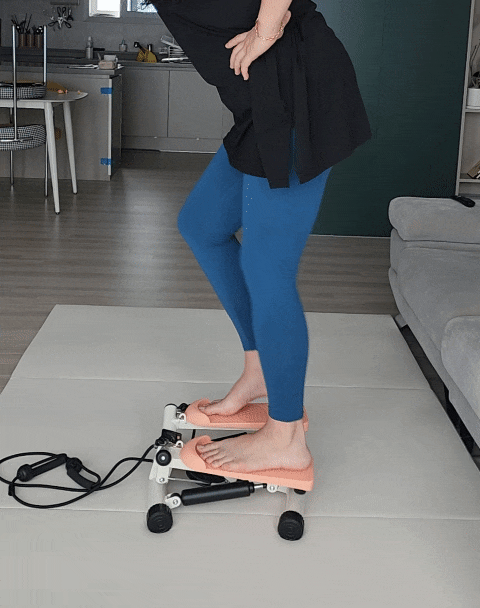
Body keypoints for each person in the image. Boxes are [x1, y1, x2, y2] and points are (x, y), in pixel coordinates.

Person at [150, 0, 372, 474]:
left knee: (267, 268)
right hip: (259, 102)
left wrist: (268, 26)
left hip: (294, 89)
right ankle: (260, 370)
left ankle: (286, 436)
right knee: (202, 225)